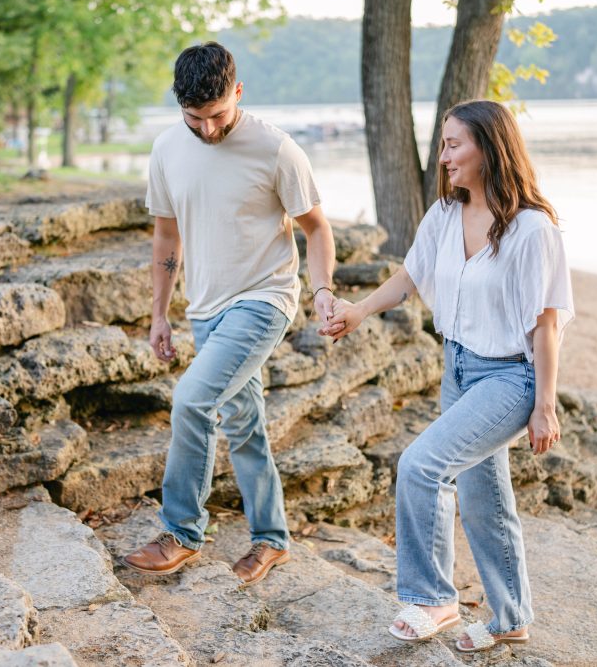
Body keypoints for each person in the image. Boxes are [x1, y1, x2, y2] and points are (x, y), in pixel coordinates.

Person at [320, 99, 573, 652]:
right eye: (442, 144)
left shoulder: (531, 229)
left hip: (509, 378)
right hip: (457, 368)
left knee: (420, 466)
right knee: (485, 498)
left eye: (453, 144)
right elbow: (411, 273)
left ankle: (432, 598)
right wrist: (360, 310)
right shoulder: (445, 215)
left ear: (490, 147)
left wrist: (545, 404)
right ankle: (510, 619)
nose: (443, 156)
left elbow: (546, 323)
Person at [122, 42, 337, 586]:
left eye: (218, 115)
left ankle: (181, 532)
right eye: (196, 118)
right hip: (206, 309)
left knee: (192, 399)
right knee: (244, 423)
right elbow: (166, 237)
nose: (209, 129)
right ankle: (271, 539)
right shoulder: (169, 148)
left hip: (265, 299)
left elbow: (317, 228)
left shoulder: (277, 149)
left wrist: (322, 291)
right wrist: (159, 314)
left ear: (237, 93)